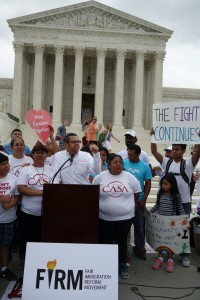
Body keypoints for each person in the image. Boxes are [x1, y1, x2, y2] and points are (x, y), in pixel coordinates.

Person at [150, 129, 200, 267]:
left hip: (183, 201)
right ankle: (166, 253)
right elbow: (154, 151)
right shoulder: (167, 162)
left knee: (183, 229)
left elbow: (198, 153)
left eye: (177, 149)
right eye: (173, 149)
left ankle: (184, 254)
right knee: (167, 228)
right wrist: (153, 136)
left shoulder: (189, 164)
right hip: (168, 201)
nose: (174, 151)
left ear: (183, 150)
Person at [92, 154, 141, 279]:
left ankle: (122, 264)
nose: (118, 164)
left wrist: (128, 206)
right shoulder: (100, 177)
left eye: (120, 162)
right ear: (108, 164)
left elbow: (136, 192)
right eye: (115, 162)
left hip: (125, 219)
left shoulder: (129, 177)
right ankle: (106, 265)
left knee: (122, 242)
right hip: (104, 218)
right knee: (106, 242)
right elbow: (93, 194)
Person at [17, 142, 52, 263]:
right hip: (28, 213)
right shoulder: (26, 169)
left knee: (42, 239)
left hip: (47, 214)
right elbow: (21, 188)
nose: (40, 155)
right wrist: (42, 192)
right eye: (37, 152)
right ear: (32, 155)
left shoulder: (52, 170)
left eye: (43, 152)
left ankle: (40, 262)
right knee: (27, 239)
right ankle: (26, 261)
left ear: (46, 155)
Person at [150, 173, 185, 272]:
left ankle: (170, 260)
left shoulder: (176, 195)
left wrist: (184, 221)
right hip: (161, 223)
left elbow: (180, 208)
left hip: (172, 223)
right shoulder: (160, 194)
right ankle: (160, 258)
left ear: (172, 185)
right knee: (160, 241)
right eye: (162, 184)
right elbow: (156, 206)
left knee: (171, 242)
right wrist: (149, 213)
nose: (163, 186)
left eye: (166, 184)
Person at [124, 144, 152, 260]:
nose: (129, 156)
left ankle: (139, 249)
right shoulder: (124, 163)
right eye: (128, 154)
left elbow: (148, 184)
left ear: (138, 154)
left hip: (138, 202)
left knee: (140, 228)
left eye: (131, 154)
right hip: (125, 201)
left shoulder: (145, 166)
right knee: (125, 228)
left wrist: (143, 201)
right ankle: (123, 250)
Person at [0, 153, 20, 281]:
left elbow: (19, 195)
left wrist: (12, 203)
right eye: (3, 164)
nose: (7, 166)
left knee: (5, 245)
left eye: (7, 163)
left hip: (9, 219)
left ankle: (4, 268)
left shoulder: (13, 178)